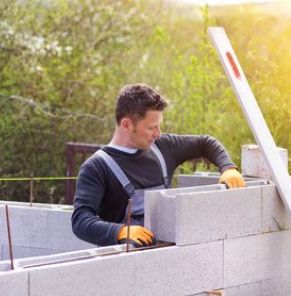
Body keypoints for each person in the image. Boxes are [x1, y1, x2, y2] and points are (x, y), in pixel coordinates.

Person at [71, 83, 245, 247]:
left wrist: (228, 168)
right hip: (121, 265)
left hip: (164, 258)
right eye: (151, 128)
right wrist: (120, 231)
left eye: (159, 126)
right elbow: (81, 221)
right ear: (126, 124)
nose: (158, 134)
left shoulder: (163, 147)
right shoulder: (96, 167)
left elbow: (205, 143)